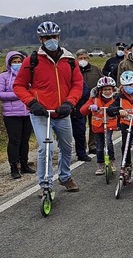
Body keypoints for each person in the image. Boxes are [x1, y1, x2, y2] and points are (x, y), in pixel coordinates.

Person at [14, 21, 84, 193]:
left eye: (53, 37)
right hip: (41, 113)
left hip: (62, 113)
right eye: (46, 38)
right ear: (40, 39)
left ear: (58, 37)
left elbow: (77, 84)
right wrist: (32, 103)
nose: (50, 40)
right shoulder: (32, 61)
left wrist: (70, 103)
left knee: (67, 147)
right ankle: (45, 183)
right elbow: (19, 85)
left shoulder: (70, 61)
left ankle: (65, 176)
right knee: (46, 148)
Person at [0, 51, 35, 179]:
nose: (17, 64)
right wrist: (18, 94)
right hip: (11, 114)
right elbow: (1, 94)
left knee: (25, 140)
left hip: (26, 111)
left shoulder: (27, 76)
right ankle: (14, 166)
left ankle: (24, 163)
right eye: (14, 62)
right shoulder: (3, 77)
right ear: (9, 63)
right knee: (14, 140)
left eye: (19, 61)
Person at [80, 76, 118, 175]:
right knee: (99, 146)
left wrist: (118, 110)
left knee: (108, 143)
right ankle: (100, 164)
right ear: (100, 90)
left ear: (113, 90)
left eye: (109, 89)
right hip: (97, 126)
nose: (107, 92)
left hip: (109, 125)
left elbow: (121, 109)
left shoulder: (115, 99)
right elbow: (82, 111)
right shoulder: (94, 99)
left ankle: (112, 162)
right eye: (105, 89)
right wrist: (90, 107)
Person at [76, 49, 103, 155]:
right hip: (78, 102)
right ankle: (82, 147)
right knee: (80, 126)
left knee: (94, 124)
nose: (83, 60)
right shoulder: (74, 70)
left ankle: (93, 145)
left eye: (85, 58)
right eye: (81, 58)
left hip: (93, 101)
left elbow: (102, 83)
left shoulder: (95, 70)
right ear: (77, 59)